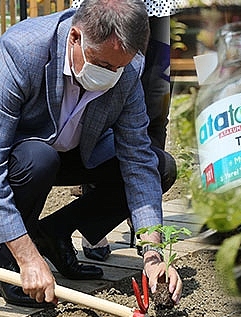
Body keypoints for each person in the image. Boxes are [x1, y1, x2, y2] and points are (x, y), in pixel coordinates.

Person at [0, 0, 182, 308]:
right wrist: (27, 257)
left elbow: (137, 159)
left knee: (160, 167)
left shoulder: (126, 68)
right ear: (75, 38)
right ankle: (7, 265)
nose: (111, 75)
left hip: (77, 148)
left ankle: (53, 234)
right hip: (19, 153)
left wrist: (153, 255)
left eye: (118, 67)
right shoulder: (22, 50)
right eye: (103, 65)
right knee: (38, 158)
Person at [71, 0, 175, 261]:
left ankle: (142, 217)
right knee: (97, 107)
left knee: (156, 110)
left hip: (156, 8)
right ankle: (93, 224)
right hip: (103, 9)